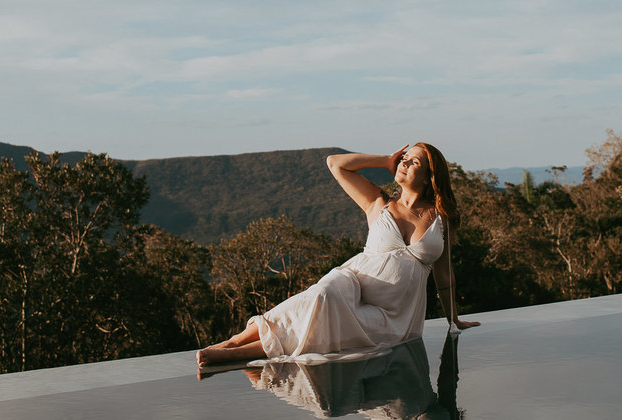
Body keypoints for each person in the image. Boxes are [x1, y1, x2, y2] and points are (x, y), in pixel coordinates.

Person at [196, 143, 478, 367]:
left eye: (414, 161)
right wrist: (384, 159)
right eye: (404, 158)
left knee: (329, 324)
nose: (404, 163)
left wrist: (453, 318)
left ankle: (242, 349)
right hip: (354, 282)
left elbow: (444, 275)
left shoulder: (442, 219)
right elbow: (335, 163)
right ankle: (234, 345)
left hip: (395, 314)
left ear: (430, 177)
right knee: (323, 294)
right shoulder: (378, 203)